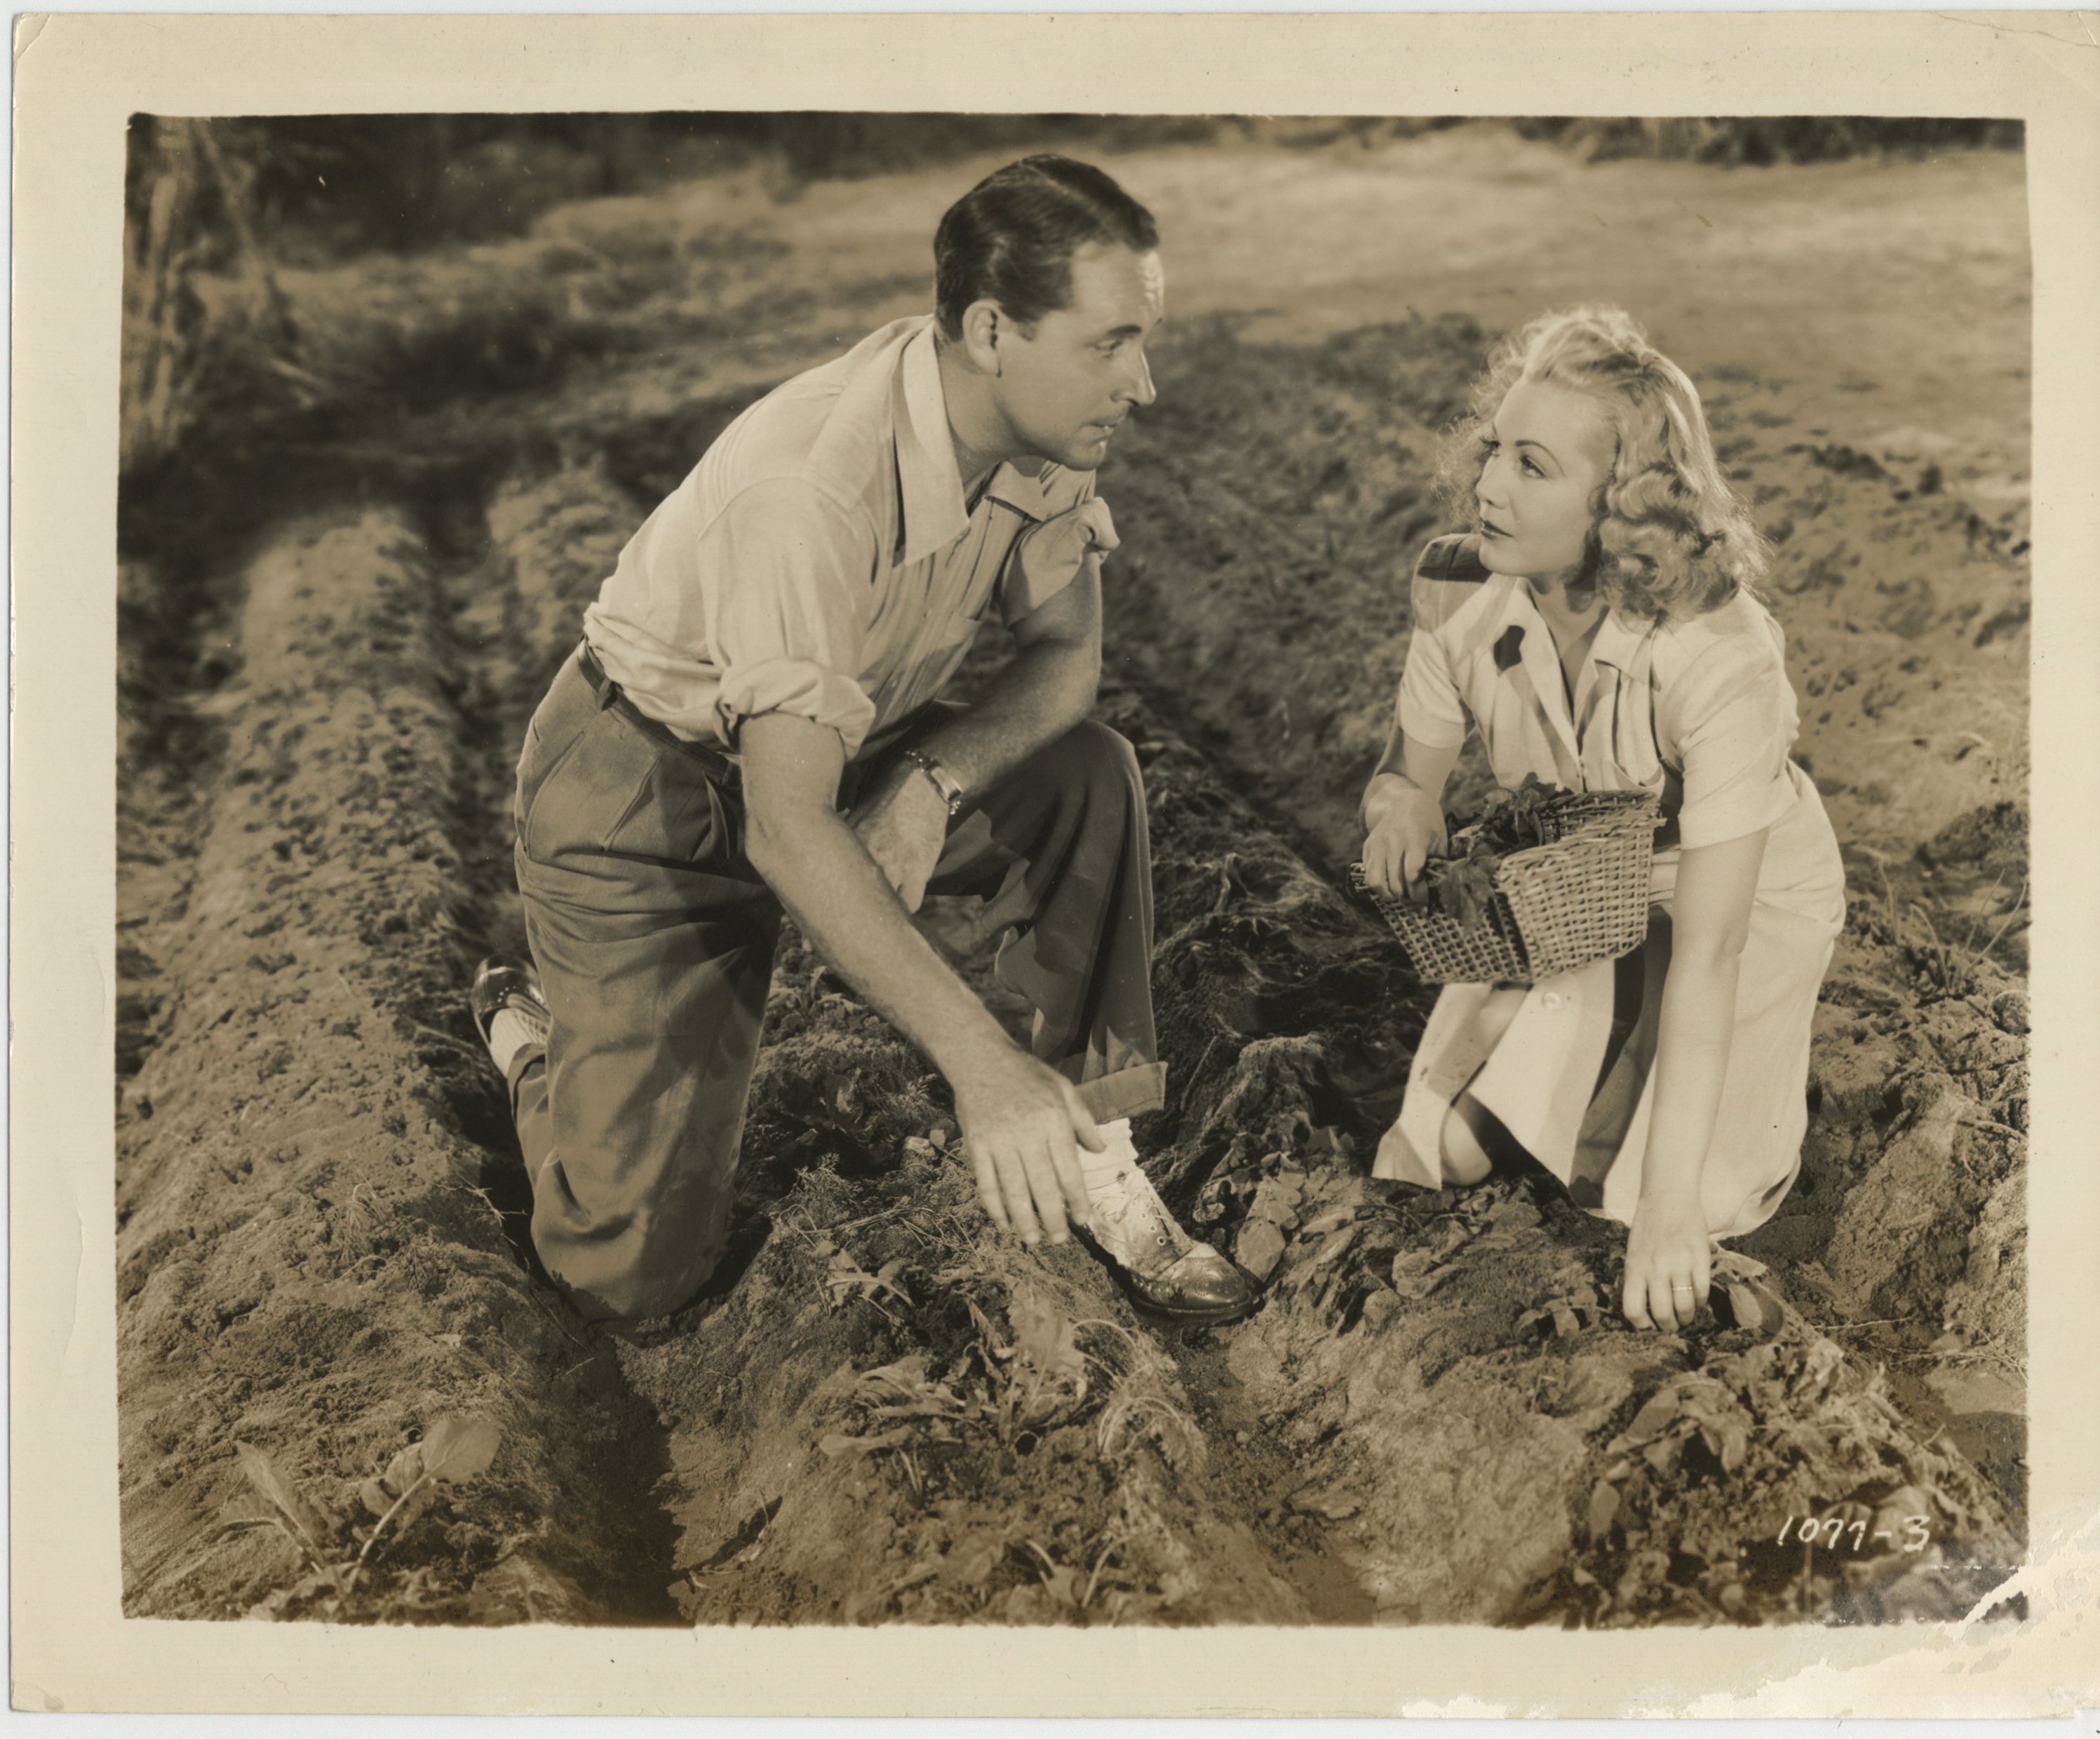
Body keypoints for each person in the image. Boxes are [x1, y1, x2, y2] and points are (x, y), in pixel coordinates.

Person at [469, 156, 1253, 1327]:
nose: (1140, 384)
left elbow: (1063, 667)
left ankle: (1099, 1163)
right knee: (628, 1280)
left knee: (1084, 777)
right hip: (646, 795)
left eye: (1141, 340)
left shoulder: (1041, 431)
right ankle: (537, 1046)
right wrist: (983, 1070)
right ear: (992, 329)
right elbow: (787, 828)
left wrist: (933, 784)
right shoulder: (809, 491)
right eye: (1110, 343)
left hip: (842, 754)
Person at [1358, 307, 1845, 1334]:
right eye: (1495, 450)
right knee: (1437, 1151)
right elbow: (1406, 772)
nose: (1487, 484)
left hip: (1731, 895)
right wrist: (1399, 806)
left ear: (1620, 511)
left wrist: (1668, 1218)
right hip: (1574, 887)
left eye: (1531, 468)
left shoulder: (1717, 653)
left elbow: (1708, 955)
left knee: (1661, 1194)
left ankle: (1710, 1141)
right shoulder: (1456, 591)